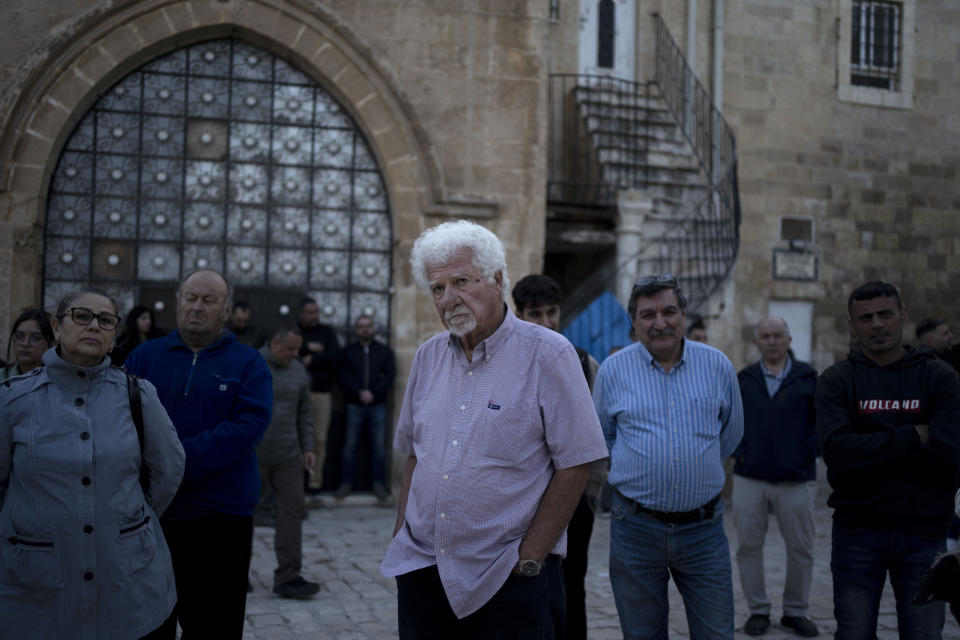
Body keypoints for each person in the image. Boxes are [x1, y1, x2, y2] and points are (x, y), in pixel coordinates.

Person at [380, 220, 608, 638]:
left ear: (498, 279)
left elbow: (575, 464)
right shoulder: (427, 357)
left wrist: (530, 559)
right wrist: (401, 538)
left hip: (505, 578)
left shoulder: (549, 354)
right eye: (437, 288)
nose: (449, 298)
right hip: (423, 572)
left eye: (462, 281)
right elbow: (416, 455)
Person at [0, 287, 185, 638]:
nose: (93, 326)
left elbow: (168, 468)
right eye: (82, 316)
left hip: (128, 582)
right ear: (57, 327)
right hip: (37, 584)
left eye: (105, 320)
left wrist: (127, 518)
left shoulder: (137, 395)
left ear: (115, 335)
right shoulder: (13, 400)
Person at [593, 274, 744, 639]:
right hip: (635, 529)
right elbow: (603, 436)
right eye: (647, 314)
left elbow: (731, 435)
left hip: (704, 531)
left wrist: (695, 464)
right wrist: (642, 466)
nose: (659, 323)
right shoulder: (613, 371)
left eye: (669, 311)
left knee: (716, 633)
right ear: (634, 321)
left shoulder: (718, 366)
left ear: (684, 314)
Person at [125, 269, 273, 638]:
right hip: (151, 517)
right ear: (178, 301)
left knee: (215, 626)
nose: (197, 306)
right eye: (191, 297)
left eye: (209, 300)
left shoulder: (249, 363)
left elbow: (245, 429)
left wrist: (171, 460)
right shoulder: (144, 357)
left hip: (221, 518)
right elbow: (122, 422)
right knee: (146, 625)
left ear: (225, 309)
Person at [817, 281, 960, 639]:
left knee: (924, 635)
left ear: (902, 316)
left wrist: (867, 450)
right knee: (854, 633)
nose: (877, 324)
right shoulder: (838, 380)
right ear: (853, 325)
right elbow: (836, 452)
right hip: (857, 531)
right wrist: (911, 436)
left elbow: (948, 456)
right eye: (865, 318)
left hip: (924, 533)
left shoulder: (939, 377)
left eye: (885, 314)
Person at [511, 273, 607, 640]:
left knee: (572, 586)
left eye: (553, 312)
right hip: (522, 503)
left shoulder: (583, 364)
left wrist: (588, 497)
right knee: (527, 585)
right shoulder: (508, 365)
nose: (548, 322)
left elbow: (597, 438)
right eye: (536, 314)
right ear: (519, 315)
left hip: (574, 501)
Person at [733, 316, 819, 637]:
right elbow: (730, 418)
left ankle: (796, 611)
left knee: (801, 548)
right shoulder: (745, 378)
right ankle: (758, 610)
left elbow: (821, 421)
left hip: (796, 479)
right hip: (749, 477)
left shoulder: (807, 377)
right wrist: (740, 451)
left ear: (789, 339)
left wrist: (805, 453)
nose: (771, 341)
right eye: (765, 336)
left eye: (777, 335)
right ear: (757, 342)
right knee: (748, 547)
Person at [256, 327, 319, 598]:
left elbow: (305, 412)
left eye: (298, 349)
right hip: (253, 456)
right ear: (274, 342)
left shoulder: (298, 371)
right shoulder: (252, 365)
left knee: (292, 513)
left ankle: (288, 577)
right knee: (240, 514)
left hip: (289, 456)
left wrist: (308, 447)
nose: (296, 355)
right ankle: (235, 574)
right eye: (291, 349)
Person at [337, 314, 396, 500]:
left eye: (368, 326)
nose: (365, 329)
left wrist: (374, 393)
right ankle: (345, 484)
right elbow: (343, 375)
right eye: (361, 326)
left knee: (378, 446)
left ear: (373, 328)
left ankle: (378, 485)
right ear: (356, 329)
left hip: (377, 405)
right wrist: (358, 393)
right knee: (349, 446)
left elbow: (389, 376)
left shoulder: (384, 351)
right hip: (354, 404)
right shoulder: (349, 351)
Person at [297, 296, 342, 493]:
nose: (314, 316)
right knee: (296, 439)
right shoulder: (295, 332)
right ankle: (296, 482)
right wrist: (308, 348)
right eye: (310, 312)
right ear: (301, 314)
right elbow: (289, 353)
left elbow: (336, 355)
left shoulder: (327, 332)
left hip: (322, 393)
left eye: (316, 312)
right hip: (298, 394)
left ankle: (314, 482)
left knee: (319, 439)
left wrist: (313, 358)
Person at [1, 308, 55, 381]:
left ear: (51, 344)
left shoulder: (58, 380)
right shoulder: (2, 378)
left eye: (36, 338)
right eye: (19, 336)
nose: (25, 343)